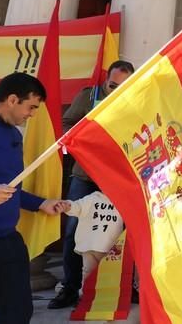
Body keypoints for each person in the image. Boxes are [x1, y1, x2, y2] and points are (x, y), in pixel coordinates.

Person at [0, 72, 64, 323]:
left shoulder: (13, 135)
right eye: (31, 107)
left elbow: (10, 188)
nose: (33, 114)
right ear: (13, 99)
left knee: (18, 312)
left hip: (8, 240)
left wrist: (40, 204)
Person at [49, 59, 134, 309]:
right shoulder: (89, 96)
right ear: (106, 78)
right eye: (113, 85)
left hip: (119, 178)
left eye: (123, 86)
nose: (116, 90)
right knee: (73, 231)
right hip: (86, 176)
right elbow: (66, 126)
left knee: (124, 232)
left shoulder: (136, 101)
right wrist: (86, 144)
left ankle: (124, 286)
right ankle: (71, 288)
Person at [58, 192, 124, 280]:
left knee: (107, 275)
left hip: (107, 247)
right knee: (90, 273)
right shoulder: (92, 198)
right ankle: (88, 293)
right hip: (91, 247)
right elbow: (77, 207)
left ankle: (94, 293)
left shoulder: (122, 200)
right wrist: (68, 206)